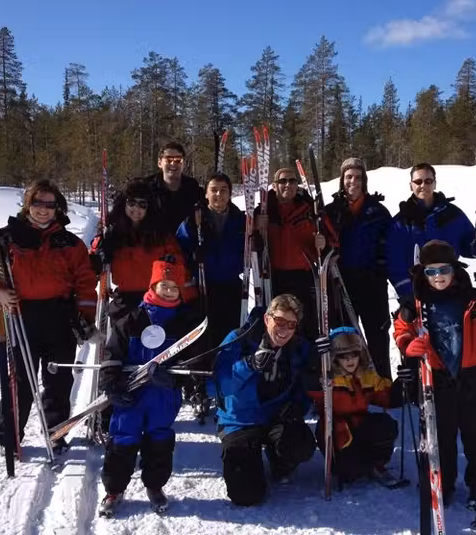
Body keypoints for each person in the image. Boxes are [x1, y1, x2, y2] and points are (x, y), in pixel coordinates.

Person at [0, 179, 98, 453]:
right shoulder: (6, 237)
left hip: (60, 317)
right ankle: (9, 437)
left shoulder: (69, 243)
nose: (43, 210)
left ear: (57, 208)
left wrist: (86, 317)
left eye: (50, 205)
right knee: (20, 381)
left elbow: (85, 281)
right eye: (38, 203)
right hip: (21, 315)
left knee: (58, 380)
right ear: (28, 205)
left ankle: (56, 432)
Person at [392, 240, 476, 509]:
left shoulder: (474, 301)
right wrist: (408, 345)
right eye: (431, 271)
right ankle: (441, 483)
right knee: (440, 436)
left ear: (454, 270)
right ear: (422, 273)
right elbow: (401, 328)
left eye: (443, 269)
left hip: (471, 375)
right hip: (435, 379)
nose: (438, 276)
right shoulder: (415, 303)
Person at [97, 255, 205, 516]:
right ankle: (114, 489)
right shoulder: (132, 317)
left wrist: (174, 379)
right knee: (123, 437)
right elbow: (113, 352)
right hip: (131, 390)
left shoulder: (185, 322)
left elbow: (193, 363)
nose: (168, 291)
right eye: (163, 285)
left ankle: (155, 486)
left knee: (160, 439)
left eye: (173, 287)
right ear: (153, 286)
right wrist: (111, 382)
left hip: (162, 393)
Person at [213, 294, 316, 506]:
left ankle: (280, 463)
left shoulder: (297, 347)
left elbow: (306, 384)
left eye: (291, 324)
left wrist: (297, 407)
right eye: (279, 321)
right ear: (268, 318)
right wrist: (249, 365)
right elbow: (217, 386)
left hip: (274, 417)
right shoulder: (240, 339)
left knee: (301, 444)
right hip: (240, 421)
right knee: (246, 495)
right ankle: (249, 462)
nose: (284, 330)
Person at [176, 172, 246, 421]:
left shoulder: (240, 220)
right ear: (206, 193)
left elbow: (252, 247)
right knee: (201, 339)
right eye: (214, 190)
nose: (218, 195)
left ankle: (227, 387)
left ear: (230, 193)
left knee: (229, 338)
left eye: (224, 190)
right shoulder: (194, 219)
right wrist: (193, 256)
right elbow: (179, 249)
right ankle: (198, 389)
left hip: (230, 285)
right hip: (202, 286)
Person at [325, 157, 393, 378]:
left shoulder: (378, 211)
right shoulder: (331, 211)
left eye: (357, 177)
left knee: (377, 335)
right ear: (341, 180)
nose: (353, 181)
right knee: (346, 336)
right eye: (348, 177)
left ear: (364, 180)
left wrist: (382, 271)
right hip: (341, 282)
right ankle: (349, 384)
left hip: (372, 282)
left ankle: (382, 382)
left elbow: (389, 245)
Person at [309, 327, 403, 485]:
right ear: (335, 358)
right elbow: (311, 389)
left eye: (354, 355)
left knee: (386, 424)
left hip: (360, 424)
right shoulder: (327, 377)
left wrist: (403, 384)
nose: (350, 360)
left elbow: (387, 397)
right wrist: (314, 363)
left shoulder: (366, 376)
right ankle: (348, 466)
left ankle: (376, 464)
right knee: (352, 471)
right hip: (337, 432)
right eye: (343, 356)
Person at [386, 163, 476, 301]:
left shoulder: (453, 214)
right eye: (418, 181)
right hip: (417, 290)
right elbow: (394, 262)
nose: (423, 185)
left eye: (428, 181)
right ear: (410, 185)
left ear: (435, 183)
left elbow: (468, 245)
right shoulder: (400, 222)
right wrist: (408, 293)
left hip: (450, 287)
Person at [90, 178, 190, 324]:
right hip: (124, 299)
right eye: (131, 203)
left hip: (156, 299)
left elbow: (178, 262)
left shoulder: (160, 234)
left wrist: (171, 266)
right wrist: (99, 253)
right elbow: (91, 263)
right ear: (124, 203)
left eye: (142, 204)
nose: (136, 209)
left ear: (149, 207)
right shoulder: (112, 232)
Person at [255, 167, 336, 342]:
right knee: (278, 326)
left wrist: (323, 244)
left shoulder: (310, 210)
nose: (287, 185)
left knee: (303, 325)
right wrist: (256, 225)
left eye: (292, 181)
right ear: (274, 186)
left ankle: (305, 365)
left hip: (303, 277)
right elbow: (250, 244)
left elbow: (331, 242)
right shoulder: (263, 210)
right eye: (282, 181)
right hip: (274, 278)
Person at [145, 141, 205, 235]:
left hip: (185, 245)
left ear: (183, 164)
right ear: (160, 163)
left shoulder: (193, 188)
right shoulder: (147, 187)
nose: (173, 163)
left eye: (178, 160)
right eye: (168, 160)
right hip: (155, 244)